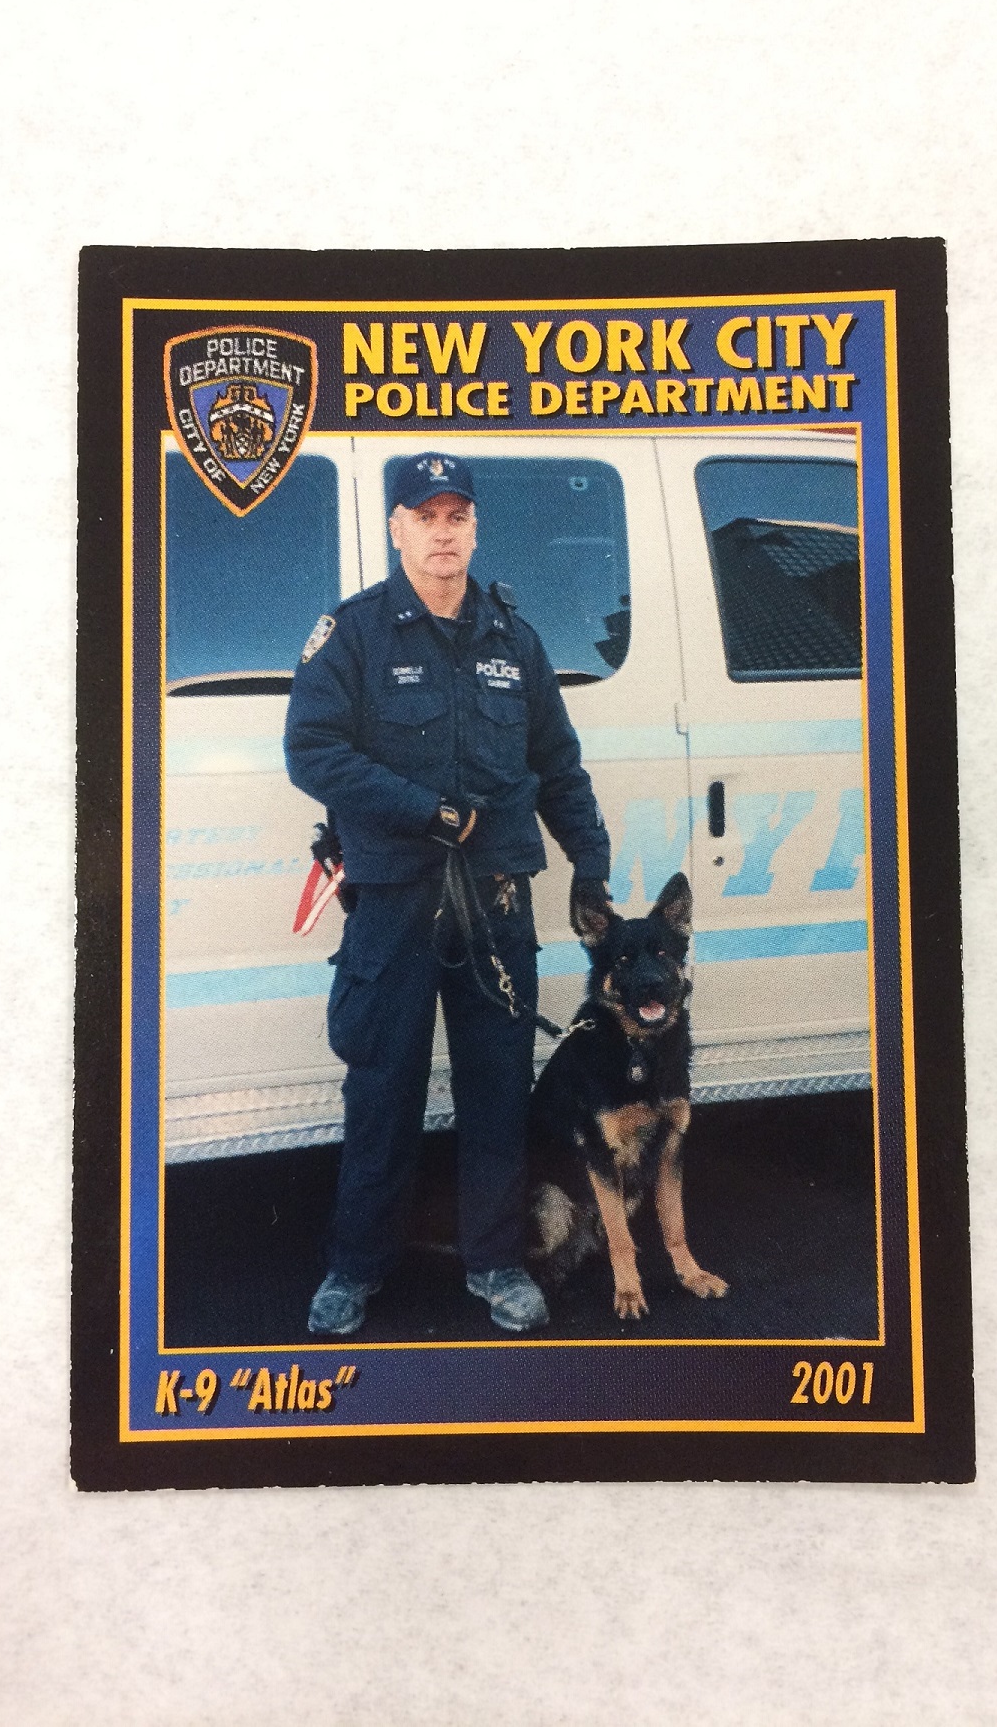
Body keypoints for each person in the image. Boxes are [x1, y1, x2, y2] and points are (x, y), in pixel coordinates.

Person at [284, 451, 612, 1334]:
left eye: (456, 517)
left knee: (497, 1091)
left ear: (474, 529)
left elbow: (556, 761)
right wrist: (426, 813)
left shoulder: (514, 637)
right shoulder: (353, 633)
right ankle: (354, 1270)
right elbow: (311, 750)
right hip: (395, 905)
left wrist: (589, 859)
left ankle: (496, 1265)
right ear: (396, 530)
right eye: (424, 517)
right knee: (381, 1089)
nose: (442, 532)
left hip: (498, 906)